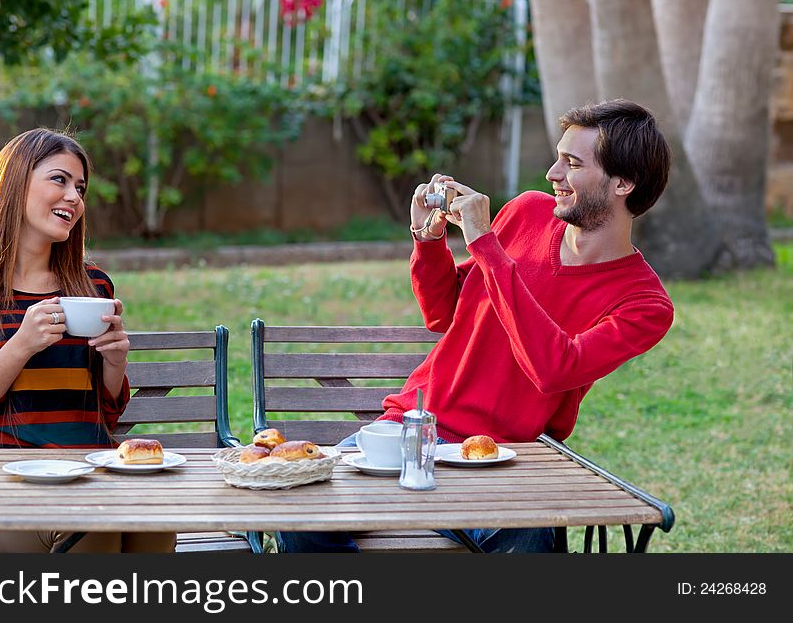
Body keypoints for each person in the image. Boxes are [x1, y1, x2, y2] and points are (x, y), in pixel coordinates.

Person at [276, 98, 675, 553]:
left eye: (572, 163)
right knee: (300, 511)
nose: (553, 174)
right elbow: (443, 312)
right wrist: (428, 241)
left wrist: (486, 244)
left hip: (504, 458)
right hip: (415, 429)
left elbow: (554, 369)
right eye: (557, 157)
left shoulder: (644, 303)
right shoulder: (526, 212)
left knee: (533, 546)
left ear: (624, 182)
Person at [0, 128, 175, 553]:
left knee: (154, 523)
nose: (74, 197)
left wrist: (114, 365)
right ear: (15, 183)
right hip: (2, 483)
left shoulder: (92, 285)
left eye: (80, 187)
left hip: (89, 476)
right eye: (59, 180)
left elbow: (105, 417)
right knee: (95, 529)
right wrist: (21, 345)